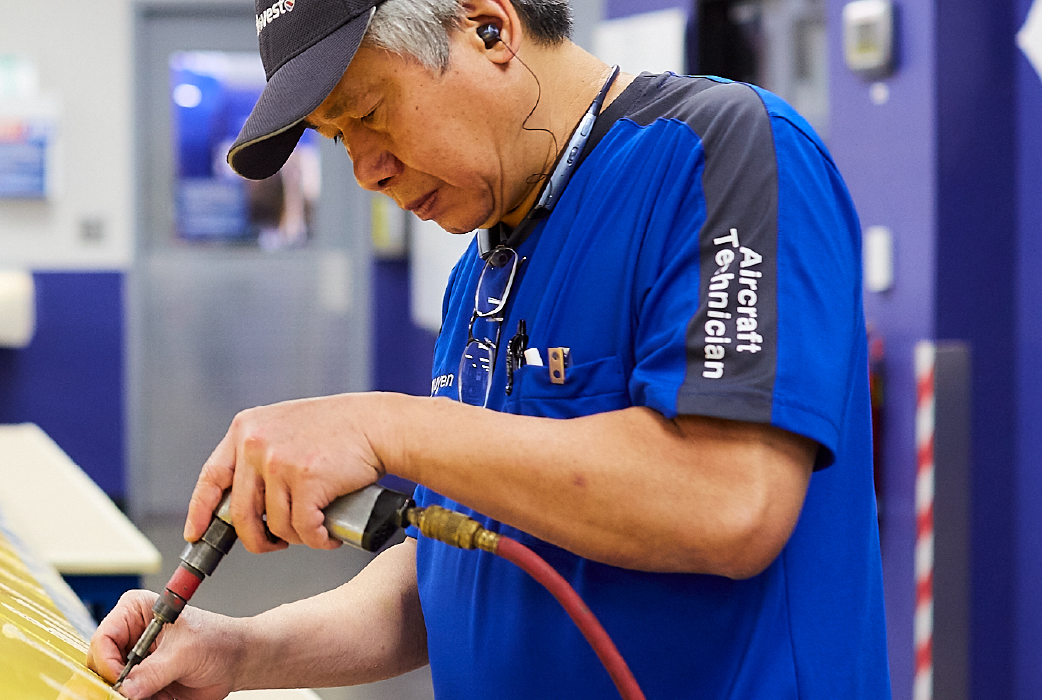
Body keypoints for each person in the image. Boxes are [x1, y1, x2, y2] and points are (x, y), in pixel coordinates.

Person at [89, 1, 887, 699]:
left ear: (489, 26)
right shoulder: (482, 264)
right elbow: (458, 565)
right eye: (337, 140)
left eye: (368, 112)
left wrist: (383, 427)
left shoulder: (723, 152)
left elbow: (730, 500)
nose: (366, 170)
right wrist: (240, 651)